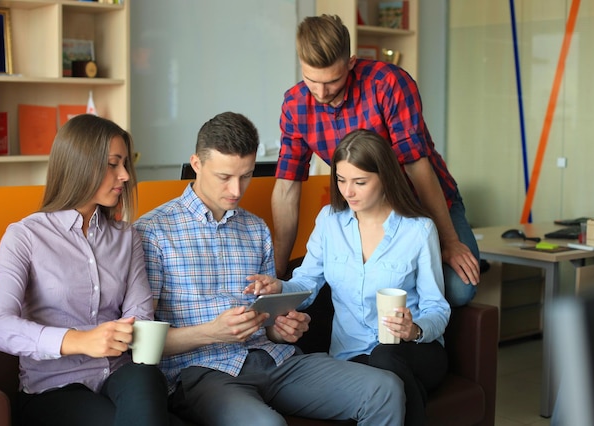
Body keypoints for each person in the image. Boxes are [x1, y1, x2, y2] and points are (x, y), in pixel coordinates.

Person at [134, 112, 406, 425]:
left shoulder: (256, 228)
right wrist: (211, 332)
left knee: (385, 388)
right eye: (224, 177)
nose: (236, 190)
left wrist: (281, 329)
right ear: (196, 164)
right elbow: (141, 343)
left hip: (275, 361)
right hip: (204, 373)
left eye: (246, 175)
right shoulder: (153, 232)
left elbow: (270, 323)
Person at [271, 14, 479, 307]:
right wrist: (278, 271)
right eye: (311, 81)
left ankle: (427, 336)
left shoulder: (388, 83)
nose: (321, 93)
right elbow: (286, 188)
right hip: (371, 212)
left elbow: (417, 167)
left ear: (352, 62)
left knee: (458, 290)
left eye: (332, 81)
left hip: (424, 200)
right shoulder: (294, 105)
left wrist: (450, 242)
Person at [248, 129, 451, 426]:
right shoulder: (329, 221)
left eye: (360, 182)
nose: (348, 192)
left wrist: (415, 329)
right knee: (381, 369)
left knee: (386, 358)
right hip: (352, 355)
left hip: (417, 352)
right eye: (341, 180)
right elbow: (307, 283)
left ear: (384, 177)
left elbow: (438, 307)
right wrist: (279, 287)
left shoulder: (419, 230)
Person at [0, 114, 170, 426]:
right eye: (114, 164)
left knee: (147, 378)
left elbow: (140, 319)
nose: (125, 175)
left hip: (121, 374)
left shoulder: (127, 238)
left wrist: (131, 332)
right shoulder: (24, 236)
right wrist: (78, 341)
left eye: (125, 163)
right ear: (79, 164)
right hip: (54, 387)